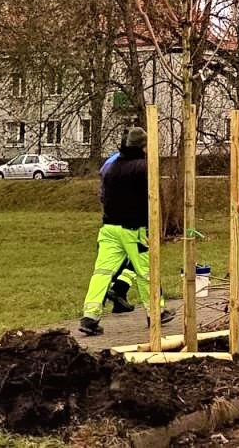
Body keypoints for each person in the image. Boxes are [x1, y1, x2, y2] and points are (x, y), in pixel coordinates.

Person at [79, 126, 173, 335]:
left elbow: (103, 196)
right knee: (146, 271)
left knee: (102, 273)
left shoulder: (111, 167)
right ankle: (155, 312)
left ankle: (90, 317)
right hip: (134, 230)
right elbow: (152, 198)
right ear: (143, 146)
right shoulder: (144, 167)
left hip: (109, 229)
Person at [99, 140, 135, 314]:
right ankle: (119, 289)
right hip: (129, 220)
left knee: (116, 262)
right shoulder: (131, 165)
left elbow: (103, 193)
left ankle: (119, 299)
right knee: (140, 260)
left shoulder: (110, 163)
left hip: (109, 218)